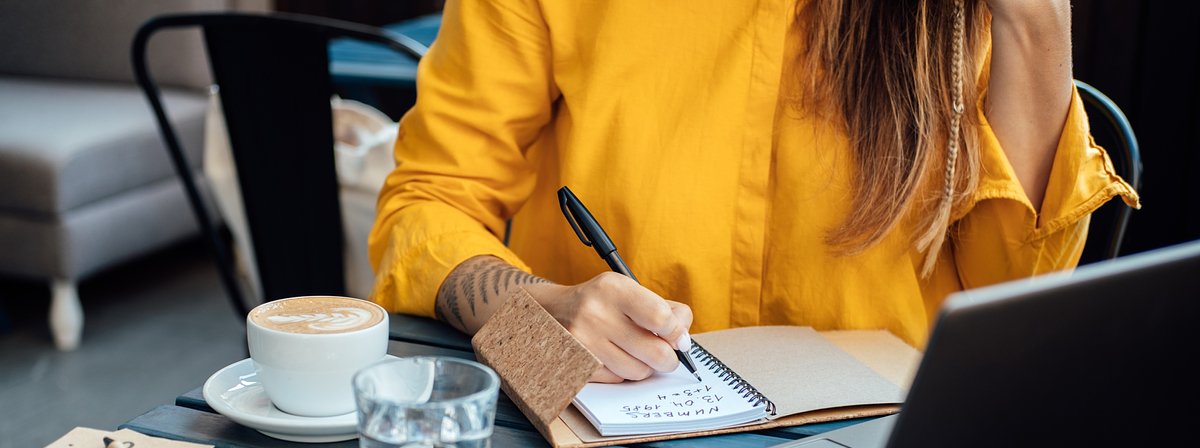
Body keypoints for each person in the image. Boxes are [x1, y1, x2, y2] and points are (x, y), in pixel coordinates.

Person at [368, 0, 1139, 383]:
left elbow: (1017, 315)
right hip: (599, 426)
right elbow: (427, 203)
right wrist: (534, 324)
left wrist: (1036, 22)